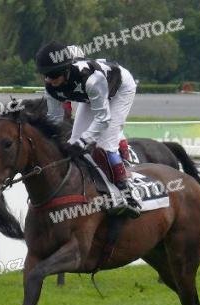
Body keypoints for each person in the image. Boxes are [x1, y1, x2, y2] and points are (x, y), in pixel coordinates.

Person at [35, 41, 140, 218]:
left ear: (66, 70)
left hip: (120, 88)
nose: (50, 81)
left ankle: (127, 194)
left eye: (54, 75)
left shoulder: (91, 80)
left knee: (105, 145)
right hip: (91, 95)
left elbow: (103, 119)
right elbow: (54, 119)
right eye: (46, 76)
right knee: (72, 142)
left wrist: (84, 141)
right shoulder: (50, 87)